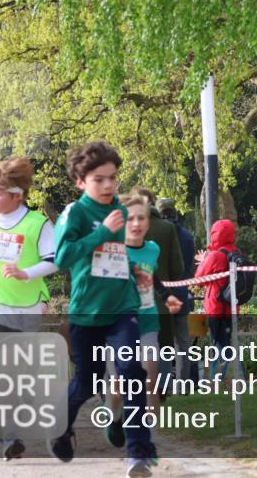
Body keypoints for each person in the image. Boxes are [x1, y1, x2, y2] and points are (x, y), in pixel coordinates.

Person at [49, 141, 155, 477]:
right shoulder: (75, 214)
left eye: (113, 178)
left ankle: (137, 453)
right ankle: (61, 425)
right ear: (81, 182)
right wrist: (102, 234)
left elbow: (113, 256)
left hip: (123, 308)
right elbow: (63, 258)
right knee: (87, 383)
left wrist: (132, 269)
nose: (109, 185)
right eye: (99, 179)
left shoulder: (122, 213)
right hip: (87, 312)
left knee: (132, 374)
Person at [0, 157, 57, 460]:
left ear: (16, 195)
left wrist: (26, 273)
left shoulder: (37, 223)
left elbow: (54, 260)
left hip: (28, 303)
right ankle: (10, 436)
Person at [104, 194, 181, 452]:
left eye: (141, 218)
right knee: (117, 387)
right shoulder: (111, 250)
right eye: (130, 218)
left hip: (148, 322)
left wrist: (166, 295)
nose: (136, 223)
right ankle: (115, 419)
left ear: (148, 223)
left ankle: (148, 438)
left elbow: (154, 276)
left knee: (151, 378)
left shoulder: (152, 249)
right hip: (118, 325)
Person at [129, 187, 184, 363]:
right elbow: (178, 267)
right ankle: (163, 385)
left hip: (127, 306)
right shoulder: (168, 229)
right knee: (163, 348)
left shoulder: (123, 229)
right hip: (159, 303)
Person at [193, 219, 239, 381]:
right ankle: (228, 375)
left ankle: (217, 378)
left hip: (215, 307)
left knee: (217, 344)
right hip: (232, 306)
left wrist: (205, 261)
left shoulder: (215, 256)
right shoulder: (238, 253)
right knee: (227, 342)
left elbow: (198, 279)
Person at [158, 198, 197, 383]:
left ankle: (162, 385)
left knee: (161, 344)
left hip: (162, 296)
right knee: (183, 344)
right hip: (182, 293)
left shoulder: (156, 234)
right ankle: (183, 385)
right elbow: (189, 267)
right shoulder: (188, 236)